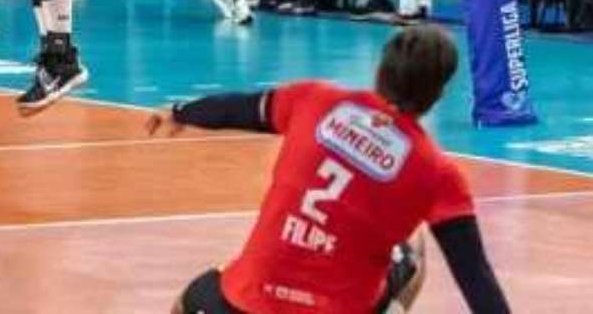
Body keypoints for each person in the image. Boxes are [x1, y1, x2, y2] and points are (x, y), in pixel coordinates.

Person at [147, 24, 510, 314]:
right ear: (438, 94)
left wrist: (181, 112)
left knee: (192, 299)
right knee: (412, 252)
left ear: (379, 70)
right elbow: (474, 277)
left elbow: (238, 109)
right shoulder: (438, 173)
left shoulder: (314, 100)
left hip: (247, 301)